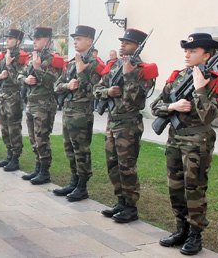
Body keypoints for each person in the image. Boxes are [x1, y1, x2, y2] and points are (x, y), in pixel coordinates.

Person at [152, 33, 218, 255]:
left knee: (194, 189)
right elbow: (154, 107)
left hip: (198, 142)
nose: (187, 55)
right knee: (175, 187)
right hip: (175, 139)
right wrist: (172, 107)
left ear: (207, 55)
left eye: (193, 51)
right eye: (186, 50)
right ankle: (181, 229)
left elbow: (209, 117)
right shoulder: (177, 77)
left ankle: (195, 236)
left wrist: (199, 89)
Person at [93, 28, 157, 223]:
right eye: (122, 42)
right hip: (112, 122)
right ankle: (120, 201)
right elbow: (97, 88)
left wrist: (129, 76)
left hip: (129, 123)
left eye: (127, 43)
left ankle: (131, 207)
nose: (122, 45)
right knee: (112, 165)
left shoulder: (143, 70)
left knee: (127, 166)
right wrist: (107, 93)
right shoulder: (113, 67)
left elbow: (137, 100)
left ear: (138, 47)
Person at [53, 25, 105, 201]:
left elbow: (95, 93)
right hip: (68, 112)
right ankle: (73, 181)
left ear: (89, 41)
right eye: (74, 38)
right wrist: (67, 86)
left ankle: (82, 186)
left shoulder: (96, 66)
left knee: (81, 151)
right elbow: (57, 86)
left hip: (82, 114)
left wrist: (82, 74)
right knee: (70, 150)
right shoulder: (71, 64)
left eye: (79, 38)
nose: (74, 41)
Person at [18, 27, 64, 184]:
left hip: (44, 105)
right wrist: (25, 80)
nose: (35, 41)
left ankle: (45, 172)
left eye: (38, 39)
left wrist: (37, 69)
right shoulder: (32, 58)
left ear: (47, 41)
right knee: (33, 138)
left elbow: (52, 81)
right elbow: (20, 74)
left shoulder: (54, 60)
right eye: (34, 39)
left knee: (42, 139)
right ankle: (38, 168)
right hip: (31, 104)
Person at [0, 28, 29, 171]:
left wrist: (9, 65)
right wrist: (0, 76)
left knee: (14, 129)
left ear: (17, 41)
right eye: (6, 38)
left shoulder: (21, 58)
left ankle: (15, 158)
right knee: (4, 129)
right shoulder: (4, 56)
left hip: (14, 97)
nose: (6, 40)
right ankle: (8, 155)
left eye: (10, 38)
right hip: (3, 96)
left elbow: (20, 80)